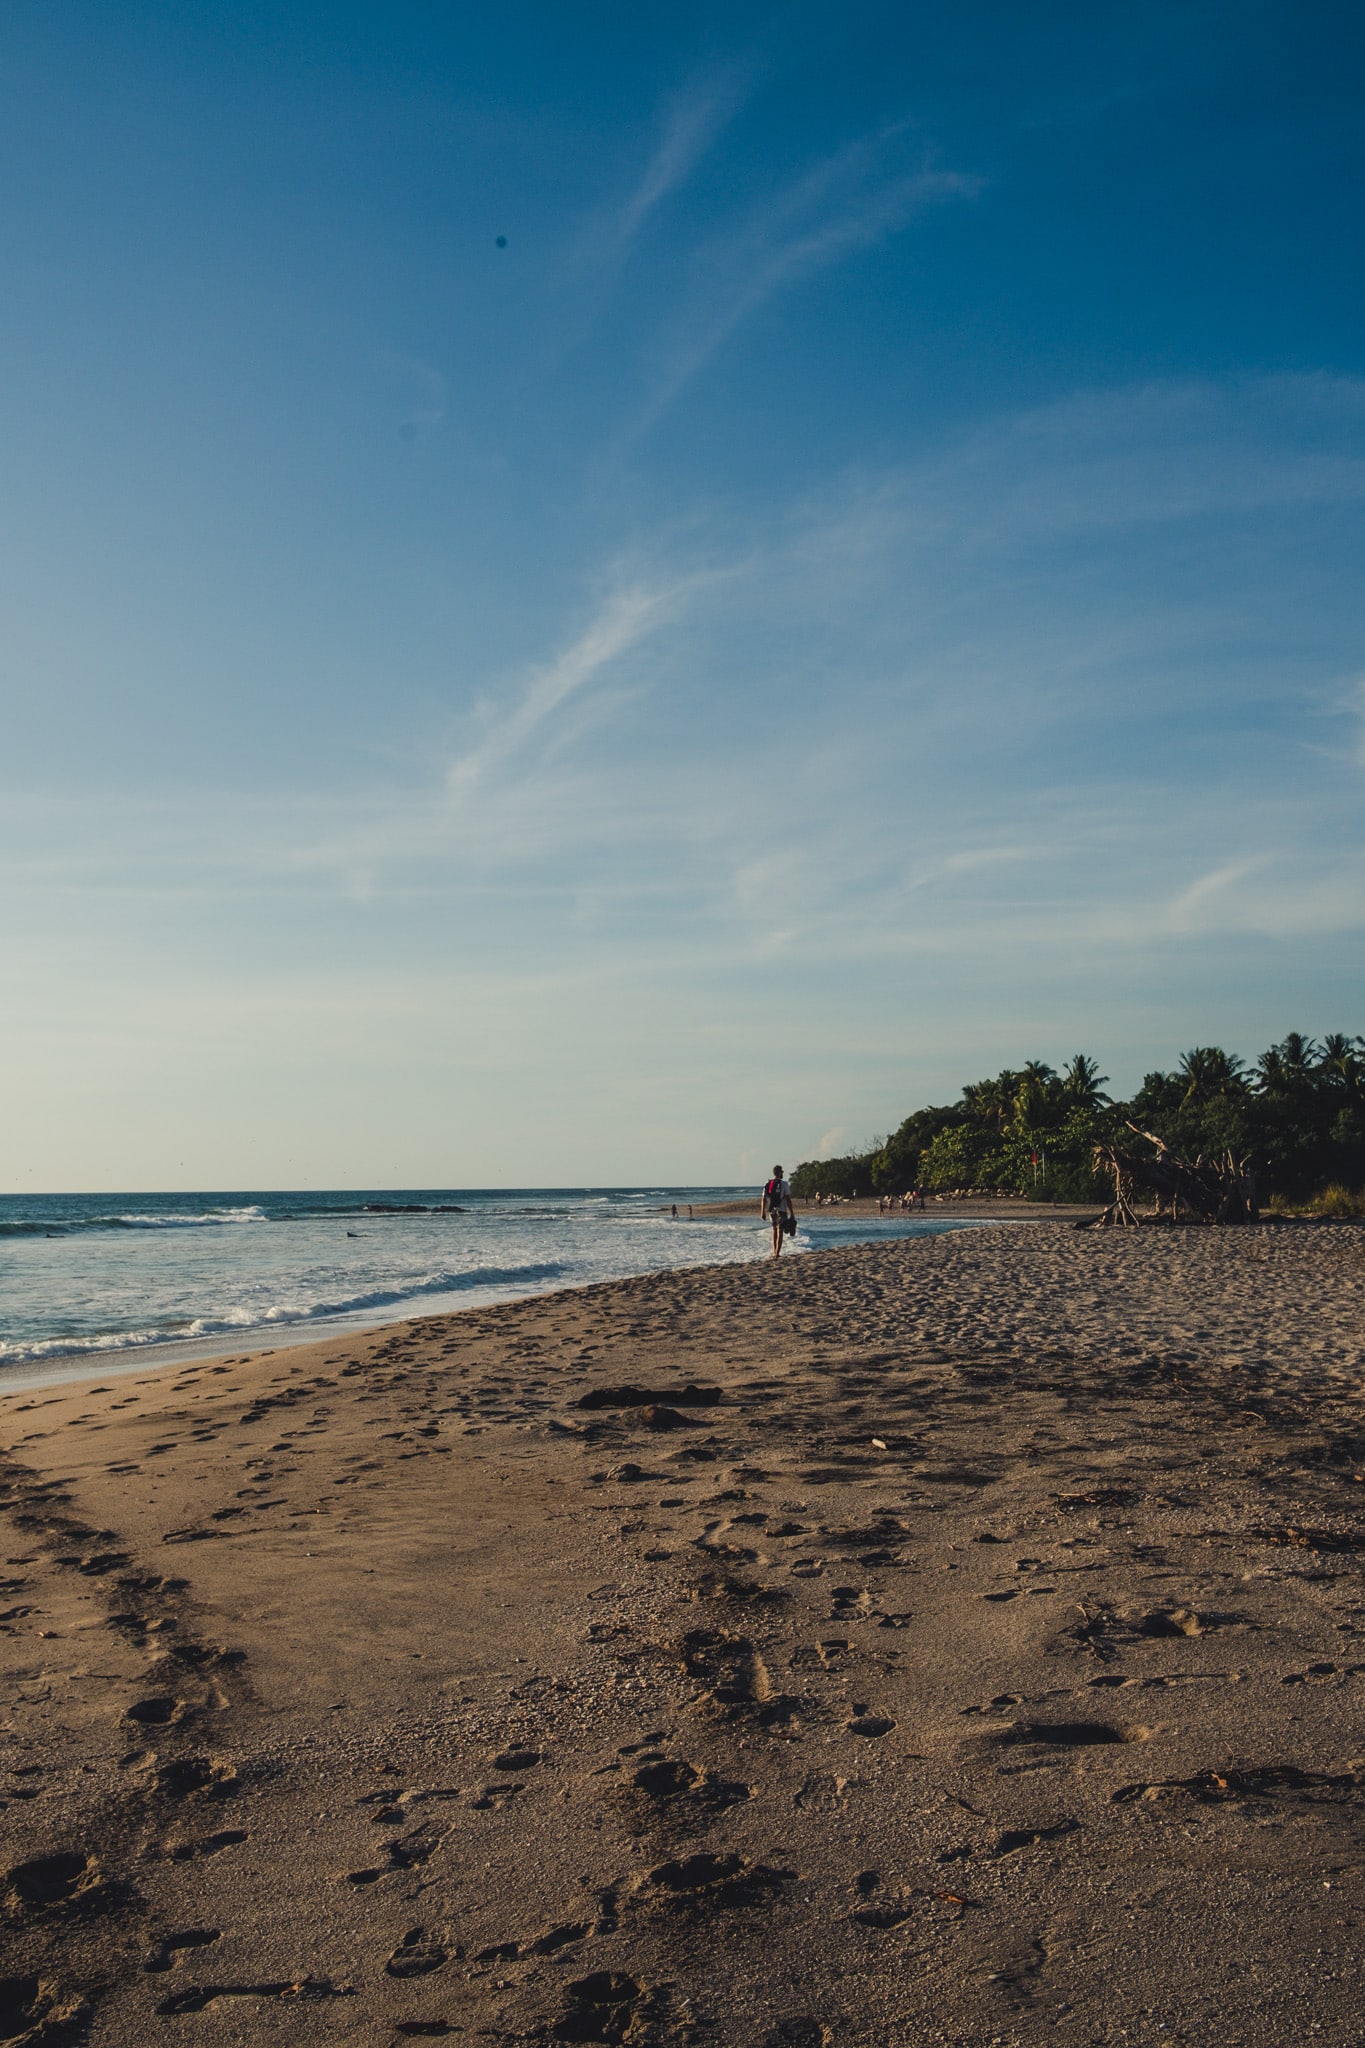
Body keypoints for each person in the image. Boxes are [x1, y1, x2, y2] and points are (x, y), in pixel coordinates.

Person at [761, 1165, 795, 1258]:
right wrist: (792, 1213)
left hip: (771, 1210)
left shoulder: (768, 1184)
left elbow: (763, 1199)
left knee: (774, 1230)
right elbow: (788, 1200)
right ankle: (777, 1253)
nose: (783, 1173)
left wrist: (763, 1212)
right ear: (779, 1173)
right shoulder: (784, 1184)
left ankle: (774, 1251)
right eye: (782, 1172)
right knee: (780, 1231)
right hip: (781, 1210)